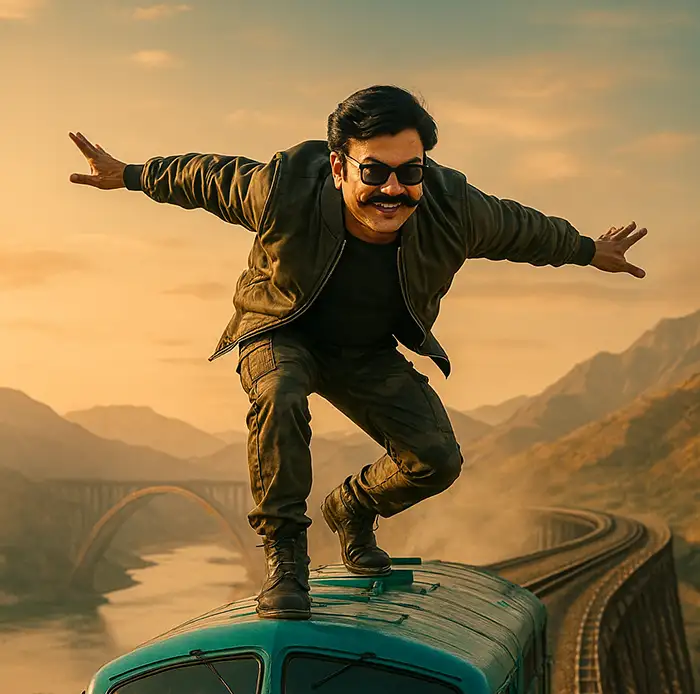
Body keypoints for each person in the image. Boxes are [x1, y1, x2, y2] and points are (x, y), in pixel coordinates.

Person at [69, 84, 647, 620]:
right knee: (280, 391)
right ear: (341, 165)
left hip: (364, 350)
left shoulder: (453, 207)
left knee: (437, 460)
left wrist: (589, 249)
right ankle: (284, 556)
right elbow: (206, 177)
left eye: (409, 171)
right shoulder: (283, 189)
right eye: (375, 170)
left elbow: (524, 230)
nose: (393, 189)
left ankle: (351, 508)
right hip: (280, 330)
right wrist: (130, 174)